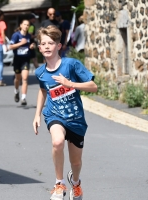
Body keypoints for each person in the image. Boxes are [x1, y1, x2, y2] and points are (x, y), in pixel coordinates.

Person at [32, 25, 97, 200]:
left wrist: (70, 84)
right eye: (43, 43)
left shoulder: (71, 64)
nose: (46, 46)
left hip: (76, 119)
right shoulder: (40, 72)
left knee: (76, 162)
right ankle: (59, 184)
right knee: (57, 141)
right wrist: (37, 114)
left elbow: (93, 86)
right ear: (39, 48)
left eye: (51, 43)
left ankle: (75, 183)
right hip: (54, 115)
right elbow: (43, 90)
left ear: (58, 46)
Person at [9, 19, 35, 106]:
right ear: (21, 25)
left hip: (25, 60)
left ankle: (23, 98)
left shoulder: (29, 36)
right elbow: (10, 47)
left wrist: (32, 46)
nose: (26, 26)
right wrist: (21, 43)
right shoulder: (16, 35)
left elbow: (31, 44)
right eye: (25, 24)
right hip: (17, 59)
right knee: (17, 78)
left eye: (28, 25)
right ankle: (16, 91)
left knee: (25, 78)